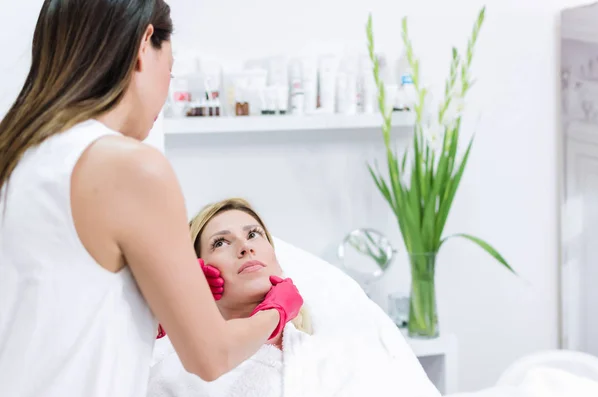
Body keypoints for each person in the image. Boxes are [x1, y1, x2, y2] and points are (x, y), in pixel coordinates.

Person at [0, 1, 303, 396]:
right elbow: (210, 357)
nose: (166, 91)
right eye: (170, 70)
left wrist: (154, 305)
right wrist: (277, 312)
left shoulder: (17, 158)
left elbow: (60, 304)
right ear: (145, 44)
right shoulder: (131, 167)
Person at [148, 198, 441, 397]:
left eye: (254, 235)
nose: (244, 247)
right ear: (197, 270)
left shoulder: (332, 344)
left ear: (275, 257)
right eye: (221, 242)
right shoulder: (177, 364)